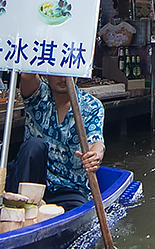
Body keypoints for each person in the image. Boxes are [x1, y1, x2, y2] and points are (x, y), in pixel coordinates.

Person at [12, 72, 105, 202]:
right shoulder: (38, 96)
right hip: (32, 182)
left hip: (69, 187)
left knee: (75, 207)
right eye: (57, 73)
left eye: (68, 72)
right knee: (34, 145)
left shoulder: (91, 106)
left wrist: (94, 156)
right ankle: (21, 204)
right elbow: (27, 76)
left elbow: (96, 143)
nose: (63, 78)